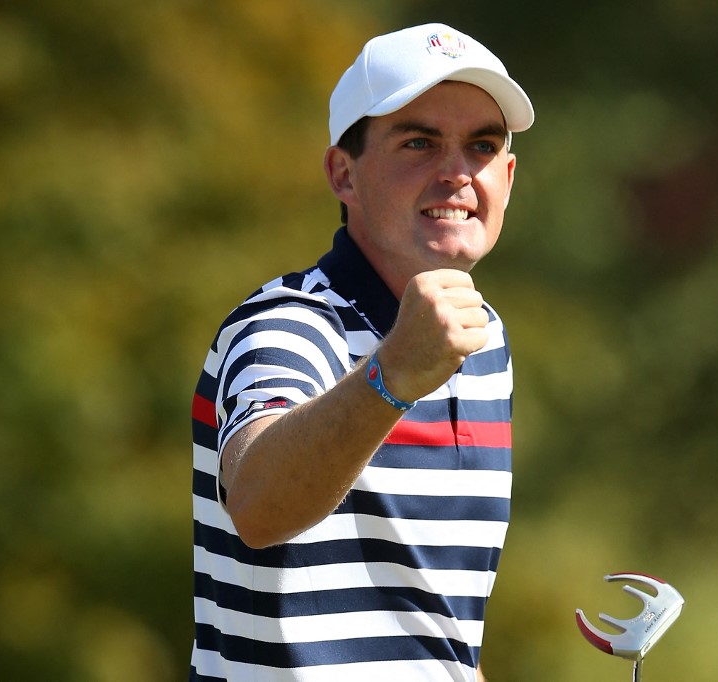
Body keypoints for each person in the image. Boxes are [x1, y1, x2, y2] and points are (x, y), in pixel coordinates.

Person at [189, 22, 533, 681]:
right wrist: (395, 374)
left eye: (481, 146)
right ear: (343, 173)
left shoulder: (486, 341)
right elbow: (259, 506)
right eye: (419, 142)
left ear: (508, 178)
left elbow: (438, 629)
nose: (457, 173)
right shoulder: (285, 324)